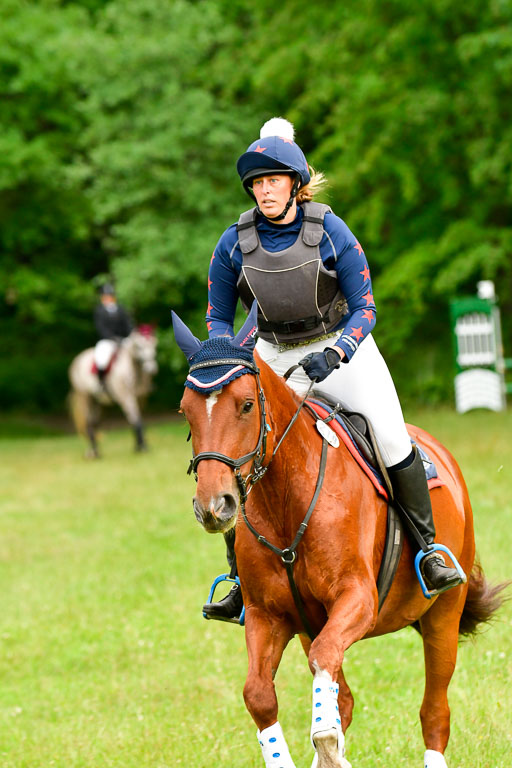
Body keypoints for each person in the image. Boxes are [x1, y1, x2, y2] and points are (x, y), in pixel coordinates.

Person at [203, 117, 464, 621]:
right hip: (271, 354)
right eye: (257, 183)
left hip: (341, 348)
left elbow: (365, 307)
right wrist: (226, 353)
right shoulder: (232, 242)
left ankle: (429, 552)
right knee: (240, 455)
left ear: (295, 184)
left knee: (391, 438)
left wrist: (338, 352)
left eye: (273, 180)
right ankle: (239, 580)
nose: (264, 190)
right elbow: (218, 316)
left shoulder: (329, 230)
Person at [93, 282, 133, 388]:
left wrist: (129, 334)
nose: (107, 298)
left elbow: (128, 324)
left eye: (109, 296)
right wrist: (111, 337)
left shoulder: (121, 309)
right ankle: (101, 382)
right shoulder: (99, 310)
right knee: (102, 359)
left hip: (123, 339)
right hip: (107, 340)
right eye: (105, 296)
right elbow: (100, 327)